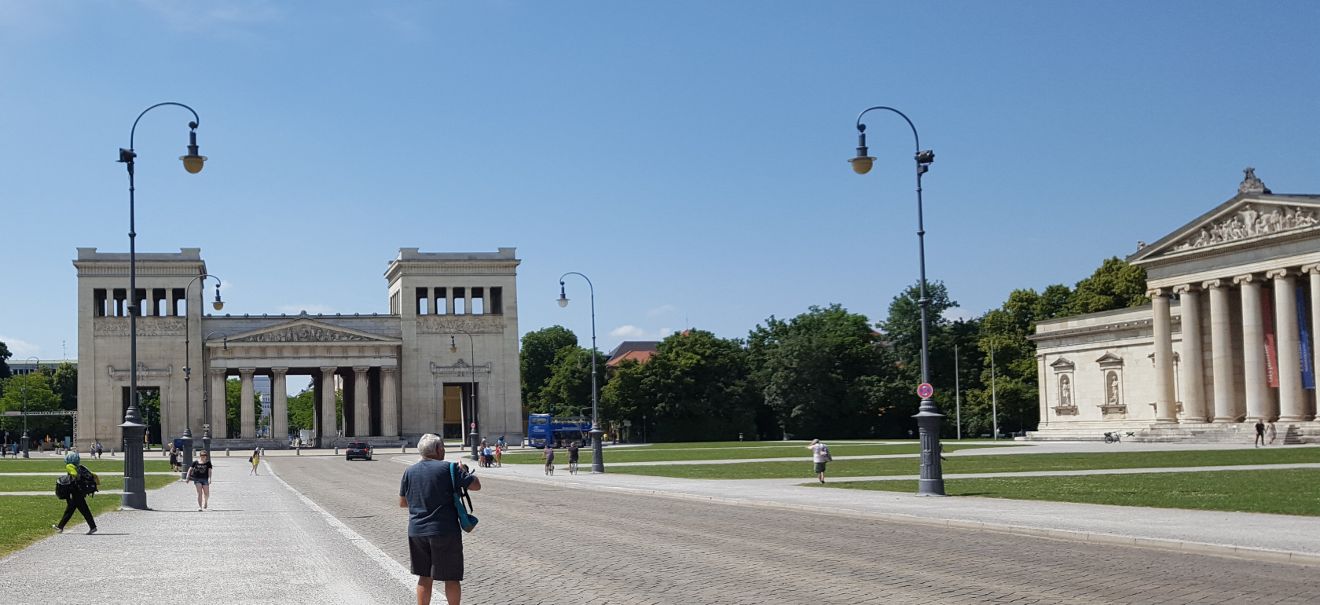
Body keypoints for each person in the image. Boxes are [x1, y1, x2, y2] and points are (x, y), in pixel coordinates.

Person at [399, 433, 480, 605]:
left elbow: (403, 503)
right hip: (444, 531)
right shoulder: (449, 468)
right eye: (442, 447)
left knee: (424, 577)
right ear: (438, 450)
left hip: (417, 531)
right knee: (451, 578)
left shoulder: (409, 471)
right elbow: (476, 485)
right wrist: (463, 471)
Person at [52, 452, 98, 534]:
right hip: (80, 491)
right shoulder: (79, 467)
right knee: (76, 510)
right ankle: (60, 527)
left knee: (75, 510)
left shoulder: (69, 466)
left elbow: (74, 474)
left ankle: (60, 527)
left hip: (75, 491)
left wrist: (67, 478)